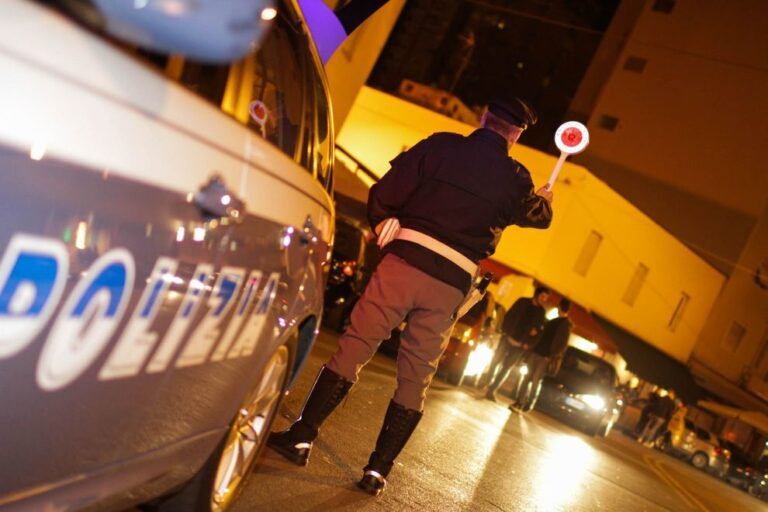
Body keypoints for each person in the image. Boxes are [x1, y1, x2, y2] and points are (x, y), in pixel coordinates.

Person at [267, 97, 553, 496]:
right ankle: (377, 470)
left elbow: (386, 192)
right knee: (417, 375)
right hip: (451, 283)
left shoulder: (439, 145)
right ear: (517, 134)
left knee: (355, 346)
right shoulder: (517, 178)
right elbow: (537, 217)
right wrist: (544, 201)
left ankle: (302, 437)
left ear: (483, 116)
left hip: (405, 261)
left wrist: (383, 224)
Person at [482, 286, 549, 402]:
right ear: (537, 294)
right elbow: (509, 314)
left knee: (506, 368)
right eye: (543, 296)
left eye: (546, 298)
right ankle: (487, 382)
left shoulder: (541, 312)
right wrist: (505, 331)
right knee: (495, 361)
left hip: (520, 345)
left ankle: (492, 390)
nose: (544, 299)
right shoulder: (522, 301)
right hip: (507, 338)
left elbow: (539, 331)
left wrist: (529, 342)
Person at [511, 298, 573, 412]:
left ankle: (528, 404)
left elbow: (562, 345)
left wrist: (551, 356)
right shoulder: (553, 321)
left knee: (535, 381)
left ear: (560, 308)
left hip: (545, 357)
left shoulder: (566, 325)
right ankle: (519, 402)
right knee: (527, 378)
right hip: (536, 352)